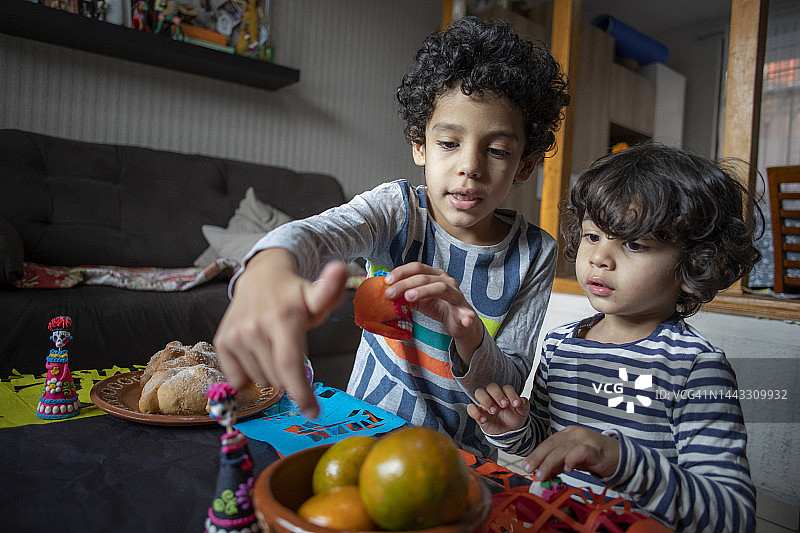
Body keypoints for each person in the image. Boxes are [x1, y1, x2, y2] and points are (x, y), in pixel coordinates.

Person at [213, 15, 570, 460]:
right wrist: (268, 267)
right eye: (448, 143)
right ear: (419, 144)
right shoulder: (397, 210)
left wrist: (470, 333)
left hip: (459, 462)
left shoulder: (535, 253)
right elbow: (317, 233)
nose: (470, 166)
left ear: (525, 165)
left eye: (497, 150)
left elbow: (508, 385)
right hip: (364, 436)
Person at [467, 143, 759, 531]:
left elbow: (731, 515)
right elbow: (547, 449)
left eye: (635, 244)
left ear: (694, 263)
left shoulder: (694, 367)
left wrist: (618, 458)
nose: (600, 257)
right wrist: (512, 429)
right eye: (592, 236)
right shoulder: (560, 345)